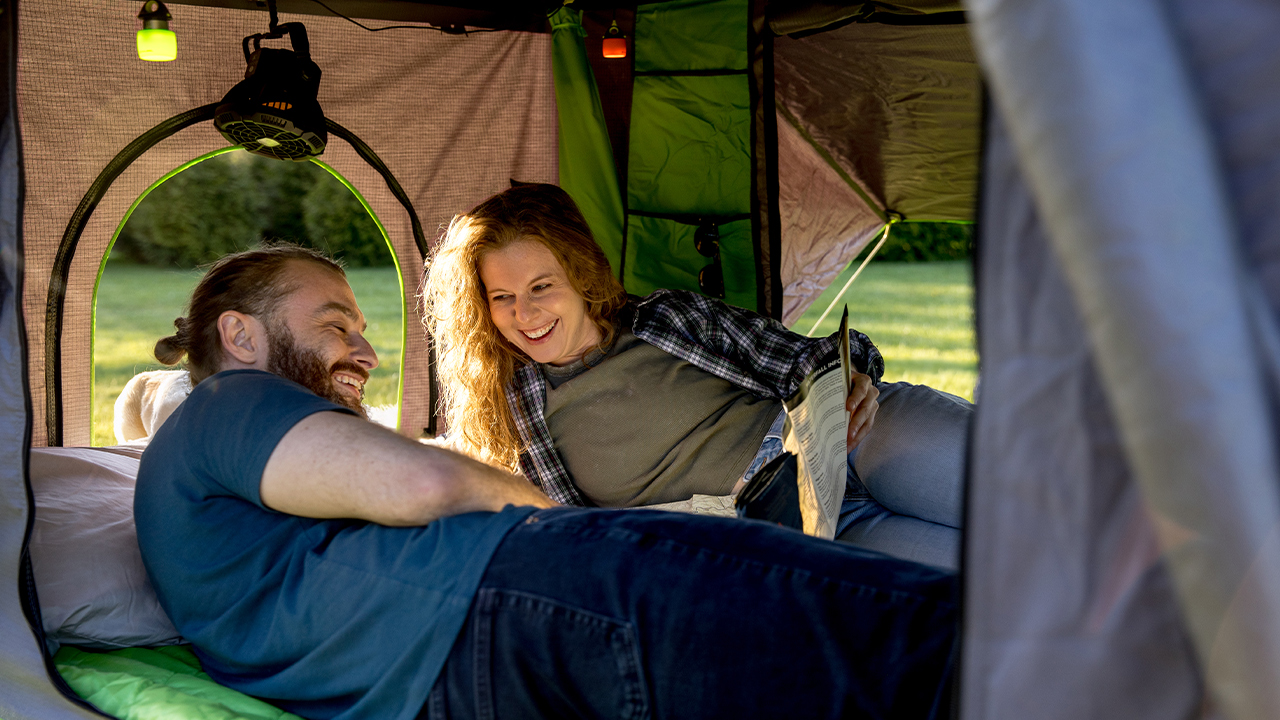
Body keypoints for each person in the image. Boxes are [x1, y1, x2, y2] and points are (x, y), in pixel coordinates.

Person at [134, 244, 958, 720]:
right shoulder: (230, 403)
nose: (366, 351)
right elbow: (423, 484)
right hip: (525, 594)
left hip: (466, 666)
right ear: (240, 335)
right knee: (903, 634)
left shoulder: (212, 486)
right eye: (335, 325)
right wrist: (560, 523)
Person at [423, 184, 972, 571]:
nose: (525, 313)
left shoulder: (665, 319)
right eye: (502, 297)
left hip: (850, 437)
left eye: (541, 287)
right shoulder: (510, 417)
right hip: (791, 531)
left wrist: (855, 377)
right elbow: (570, 540)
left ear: (580, 273)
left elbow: (807, 356)